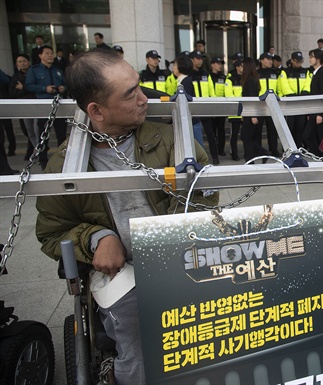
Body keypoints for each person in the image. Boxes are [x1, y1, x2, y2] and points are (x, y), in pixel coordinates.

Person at [35, 49, 218, 385]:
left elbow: (205, 195)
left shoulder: (170, 139)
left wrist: (174, 234)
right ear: (96, 111)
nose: (144, 98)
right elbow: (51, 231)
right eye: (130, 93)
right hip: (123, 271)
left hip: (184, 256)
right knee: (137, 330)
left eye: (139, 86)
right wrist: (96, 238)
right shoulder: (66, 165)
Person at [25, 45, 68, 169]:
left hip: (60, 107)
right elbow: (29, 85)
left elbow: (66, 85)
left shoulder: (58, 70)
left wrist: (63, 88)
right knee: (43, 136)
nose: (50, 55)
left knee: (61, 135)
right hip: (44, 108)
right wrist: (44, 89)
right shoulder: (34, 70)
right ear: (40, 55)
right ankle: (43, 161)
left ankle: (63, 160)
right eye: (47, 53)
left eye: (51, 53)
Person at [240, 57, 269, 162]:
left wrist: (253, 115)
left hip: (252, 113)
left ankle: (261, 153)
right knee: (248, 137)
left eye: (243, 66)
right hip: (248, 112)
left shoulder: (251, 80)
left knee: (246, 137)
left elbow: (252, 98)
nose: (241, 68)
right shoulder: (249, 79)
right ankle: (252, 158)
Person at [279, 51, 310, 147]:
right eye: (297, 61)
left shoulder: (305, 72)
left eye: (300, 61)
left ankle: (298, 147)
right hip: (289, 105)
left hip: (301, 104)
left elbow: (307, 85)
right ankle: (288, 148)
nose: (298, 63)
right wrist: (293, 97)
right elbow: (284, 87)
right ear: (292, 60)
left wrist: (303, 95)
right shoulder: (285, 72)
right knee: (289, 128)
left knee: (300, 127)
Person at [303, 49, 323, 155]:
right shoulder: (315, 74)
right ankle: (319, 155)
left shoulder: (322, 74)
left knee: (319, 137)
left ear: (318, 59)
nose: (310, 59)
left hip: (320, 112)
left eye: (312, 57)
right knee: (309, 136)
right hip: (314, 110)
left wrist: (320, 113)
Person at [9, 54, 36, 160]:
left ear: (28, 62)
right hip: (23, 108)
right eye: (19, 62)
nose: (22, 63)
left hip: (35, 106)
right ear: (17, 64)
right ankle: (33, 150)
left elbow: (35, 89)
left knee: (36, 130)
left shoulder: (33, 74)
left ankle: (34, 152)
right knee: (27, 130)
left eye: (24, 61)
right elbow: (12, 93)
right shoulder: (15, 77)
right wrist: (26, 90)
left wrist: (23, 88)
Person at [257, 52, 281, 157]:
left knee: (272, 129)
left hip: (272, 104)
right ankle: (259, 150)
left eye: (271, 59)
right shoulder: (257, 73)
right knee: (258, 129)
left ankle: (274, 149)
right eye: (267, 59)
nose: (270, 61)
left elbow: (279, 88)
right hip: (260, 105)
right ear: (262, 60)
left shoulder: (275, 73)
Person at [209, 57, 228, 159]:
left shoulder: (224, 77)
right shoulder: (208, 76)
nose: (219, 65)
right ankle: (214, 149)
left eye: (221, 63)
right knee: (212, 130)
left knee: (221, 129)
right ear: (212, 65)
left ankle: (221, 149)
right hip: (211, 106)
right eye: (217, 63)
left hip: (221, 107)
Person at [225, 59, 243, 160]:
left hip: (245, 110)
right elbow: (229, 95)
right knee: (234, 134)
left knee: (245, 134)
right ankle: (234, 153)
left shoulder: (245, 79)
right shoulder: (230, 80)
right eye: (241, 66)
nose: (243, 68)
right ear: (237, 67)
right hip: (235, 111)